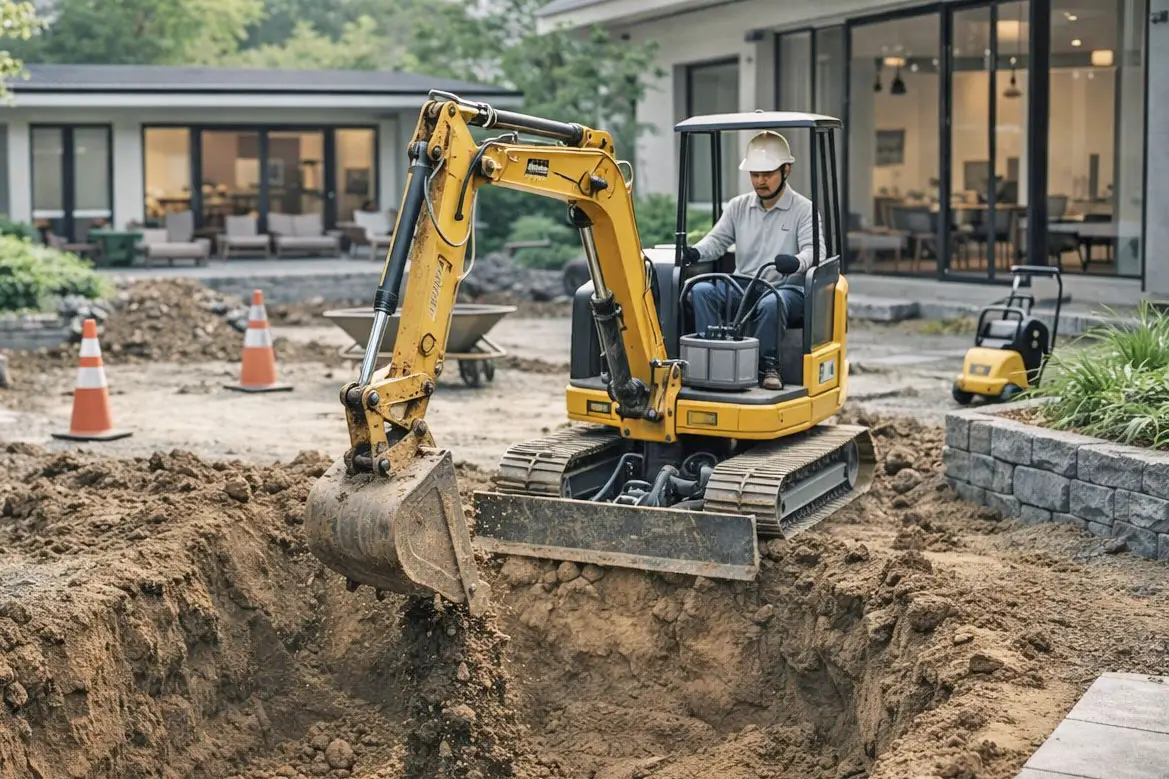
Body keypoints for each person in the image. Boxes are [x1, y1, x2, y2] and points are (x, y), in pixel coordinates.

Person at [680, 130, 826, 390]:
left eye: (767, 174)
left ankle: (767, 366)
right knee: (701, 291)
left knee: (772, 303)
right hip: (742, 285)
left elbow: (816, 252)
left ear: (786, 170)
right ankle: (712, 357)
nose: (760, 181)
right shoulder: (738, 206)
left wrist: (796, 262)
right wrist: (695, 252)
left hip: (785, 289)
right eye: (755, 175)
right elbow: (716, 242)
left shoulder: (804, 210)